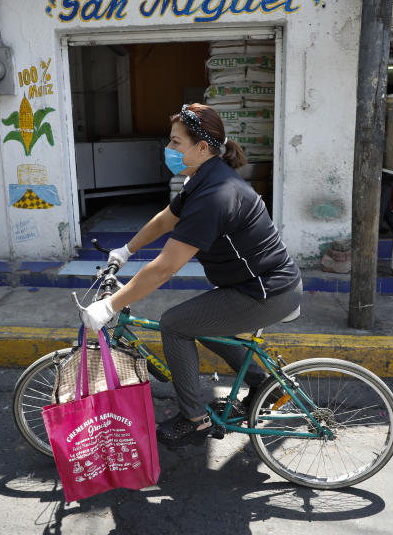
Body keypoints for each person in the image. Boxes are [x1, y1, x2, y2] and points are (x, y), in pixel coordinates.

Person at [79, 103, 303, 448]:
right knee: (203, 323)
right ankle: (262, 384)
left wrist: (110, 305)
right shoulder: (204, 179)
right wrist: (125, 251)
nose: (168, 150)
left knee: (175, 324)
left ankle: (194, 419)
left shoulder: (215, 196)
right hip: (259, 285)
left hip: (266, 291)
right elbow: (166, 219)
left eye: (175, 143)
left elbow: (166, 268)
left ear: (202, 147)